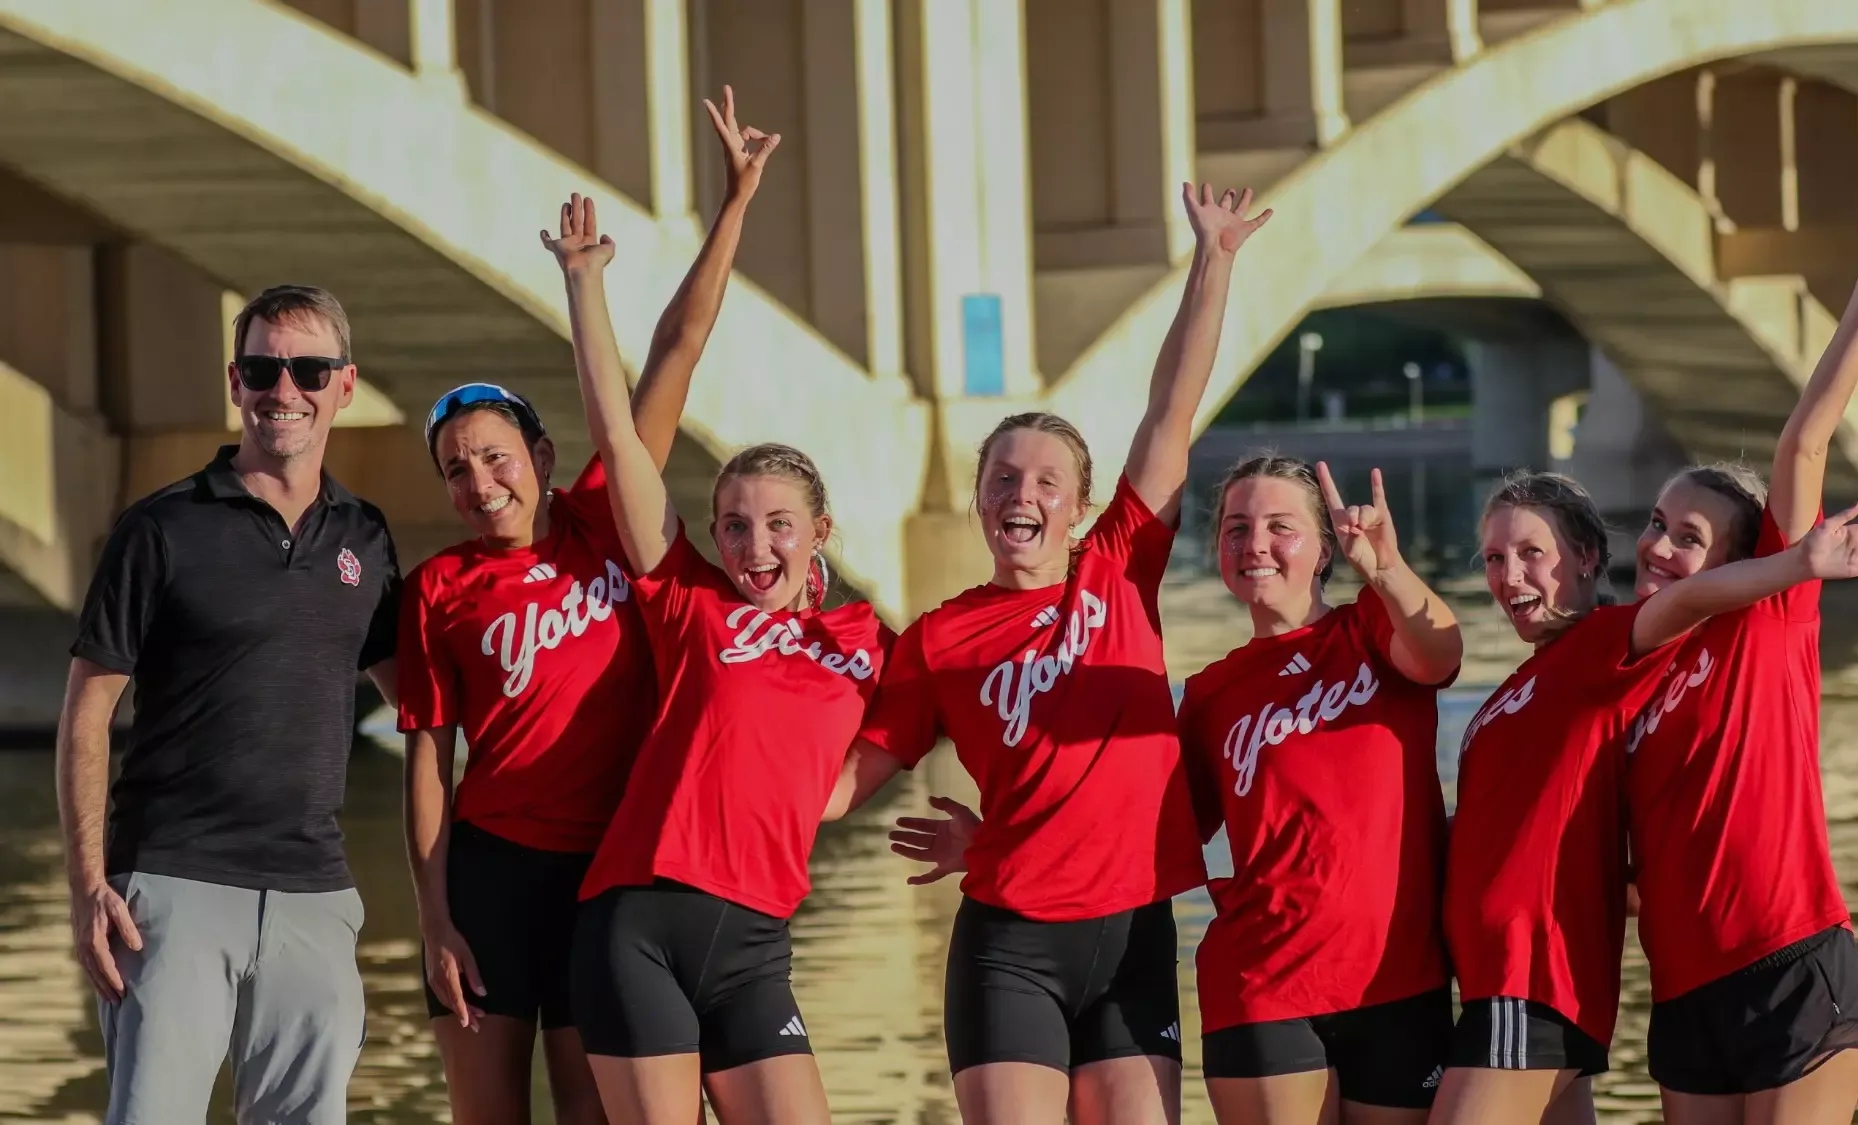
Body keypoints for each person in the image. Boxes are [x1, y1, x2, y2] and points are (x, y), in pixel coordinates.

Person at [823, 182, 1274, 1125]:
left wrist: (1214, 260)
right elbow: (836, 788)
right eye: (1002, 478)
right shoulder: (940, 636)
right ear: (983, 499)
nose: (1020, 493)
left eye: (1045, 481)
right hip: (1009, 948)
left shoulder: (1119, 567)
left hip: (1132, 937)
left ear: (1079, 507)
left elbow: (1170, 409)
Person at [395, 91, 775, 1124]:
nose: (479, 484)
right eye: (456, 471)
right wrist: (431, 917)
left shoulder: (612, 517)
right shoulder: (439, 590)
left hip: (613, 873)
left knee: (598, 1112)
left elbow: (679, 349)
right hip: (490, 877)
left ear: (544, 461)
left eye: (495, 459)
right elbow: (430, 756)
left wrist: (733, 201)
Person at [551, 90, 894, 1125]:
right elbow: (626, 421)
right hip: (638, 920)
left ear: (821, 530)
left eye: (778, 524)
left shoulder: (870, 641)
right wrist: (584, 289)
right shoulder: (685, 597)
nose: (754, 546)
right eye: (735, 525)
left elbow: (858, 777)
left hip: (755, 942)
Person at [1624, 204, 1858, 1124]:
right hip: (1683, 990)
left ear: (1747, 555)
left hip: (1790, 960)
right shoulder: (1628, 666)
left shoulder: (1772, 614)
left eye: (1688, 535)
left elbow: (1803, 444)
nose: (1658, 545)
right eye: (1654, 524)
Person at [1429, 472, 1858, 1125]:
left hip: (1741, 961)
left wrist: (1796, 562)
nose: (1508, 573)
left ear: (1586, 556)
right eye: (1493, 557)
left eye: (1530, 552)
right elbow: (1614, 857)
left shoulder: (1617, 641)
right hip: (1666, 983)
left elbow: (1797, 456)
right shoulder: (1571, 693)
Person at [57, 285, 401, 1125]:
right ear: (235, 381)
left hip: (314, 896)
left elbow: (424, 708)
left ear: (344, 385)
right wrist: (87, 885)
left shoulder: (366, 536)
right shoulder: (160, 528)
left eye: (310, 369)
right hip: (171, 885)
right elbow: (87, 712)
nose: (285, 390)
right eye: (262, 368)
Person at [1175, 458, 1460, 1125]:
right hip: (1262, 984)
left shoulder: (1370, 628)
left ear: (1325, 547)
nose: (1255, 545)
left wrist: (1387, 569)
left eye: (1281, 526)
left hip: (1400, 978)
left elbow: (1442, 655)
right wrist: (998, 840)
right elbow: (1162, 834)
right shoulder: (1211, 694)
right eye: (1236, 528)